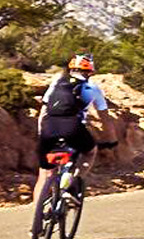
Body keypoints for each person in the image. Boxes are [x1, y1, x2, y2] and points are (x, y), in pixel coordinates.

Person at [32, 53, 111, 221]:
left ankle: (37, 219)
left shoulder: (56, 83)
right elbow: (104, 117)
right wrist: (111, 138)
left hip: (48, 128)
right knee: (90, 151)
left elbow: (43, 111)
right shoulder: (92, 89)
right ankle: (72, 183)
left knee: (45, 174)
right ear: (90, 71)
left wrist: (41, 133)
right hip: (73, 128)